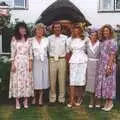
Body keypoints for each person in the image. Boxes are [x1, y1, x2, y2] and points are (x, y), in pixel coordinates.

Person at [9, 22, 34, 109]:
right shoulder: (14, 39)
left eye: (24, 28)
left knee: (26, 81)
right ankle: (17, 101)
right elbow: (12, 53)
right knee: (17, 81)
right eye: (21, 28)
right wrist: (12, 64)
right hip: (17, 62)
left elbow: (31, 54)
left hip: (26, 62)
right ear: (18, 30)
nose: (23, 30)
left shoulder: (29, 40)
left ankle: (25, 100)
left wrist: (30, 64)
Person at [95, 24, 117, 111]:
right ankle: (106, 103)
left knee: (109, 84)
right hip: (102, 65)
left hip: (109, 65)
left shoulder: (112, 42)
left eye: (107, 31)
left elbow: (112, 55)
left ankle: (110, 103)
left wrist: (109, 66)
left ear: (110, 32)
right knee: (105, 84)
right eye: (104, 31)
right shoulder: (103, 42)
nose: (105, 32)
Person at [67, 25, 88, 108]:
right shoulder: (69, 40)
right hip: (73, 60)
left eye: (78, 30)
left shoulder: (86, 39)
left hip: (83, 61)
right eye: (74, 30)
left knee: (81, 80)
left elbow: (90, 49)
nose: (76, 31)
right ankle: (71, 100)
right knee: (72, 80)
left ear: (80, 31)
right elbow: (68, 52)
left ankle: (80, 98)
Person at [48, 22, 68, 104]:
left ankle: (61, 99)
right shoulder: (49, 38)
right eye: (55, 27)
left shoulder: (65, 38)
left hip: (62, 59)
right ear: (53, 29)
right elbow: (47, 49)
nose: (57, 29)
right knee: (52, 80)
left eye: (58, 27)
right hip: (52, 60)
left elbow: (68, 49)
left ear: (61, 28)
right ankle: (52, 98)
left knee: (62, 80)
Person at [32, 23, 49, 106]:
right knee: (35, 79)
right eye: (38, 29)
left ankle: (40, 98)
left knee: (42, 79)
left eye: (41, 30)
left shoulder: (46, 40)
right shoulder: (30, 40)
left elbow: (50, 51)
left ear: (43, 31)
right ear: (35, 31)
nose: (40, 31)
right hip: (35, 61)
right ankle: (34, 97)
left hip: (44, 62)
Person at [86, 29, 100, 108]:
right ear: (90, 36)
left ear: (97, 36)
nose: (94, 37)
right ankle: (91, 99)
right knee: (90, 82)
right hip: (89, 64)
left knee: (97, 82)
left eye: (95, 35)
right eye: (92, 35)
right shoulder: (87, 44)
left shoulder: (99, 44)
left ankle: (97, 100)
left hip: (97, 64)